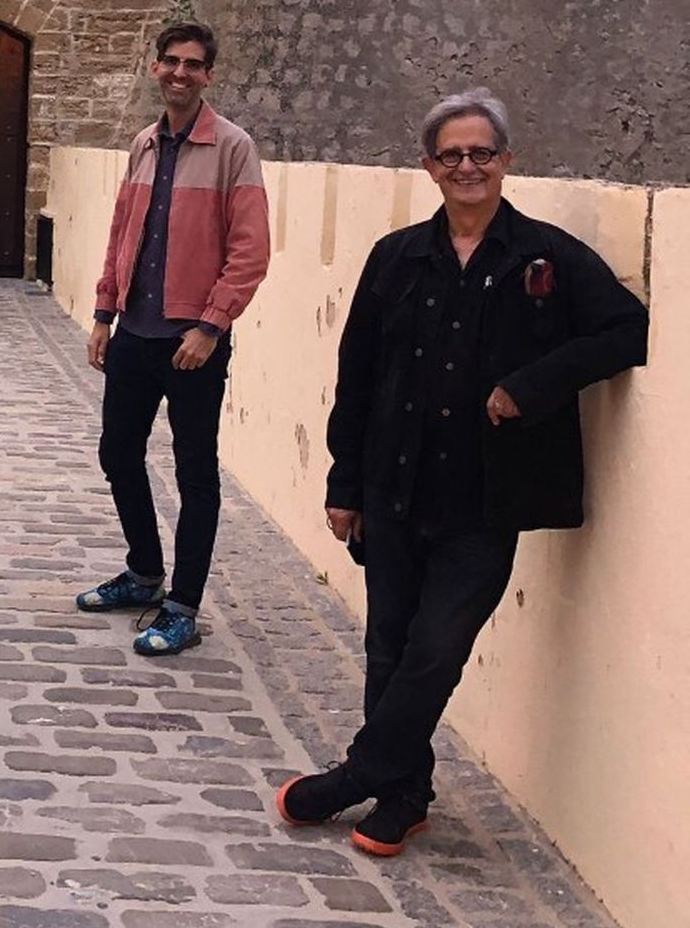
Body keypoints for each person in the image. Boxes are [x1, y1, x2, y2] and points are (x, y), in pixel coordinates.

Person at [278, 90, 648, 856]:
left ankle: (358, 775)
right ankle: (404, 796)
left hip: (486, 501)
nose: (468, 166)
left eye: (482, 152)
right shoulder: (397, 257)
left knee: (436, 649)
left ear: (507, 161)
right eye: (452, 154)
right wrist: (344, 485)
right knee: (388, 647)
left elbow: (626, 327)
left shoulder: (546, 256)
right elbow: (359, 372)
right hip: (393, 487)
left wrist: (531, 386)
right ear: (429, 167)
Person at [78, 21, 270, 655]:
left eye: (193, 64)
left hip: (193, 341)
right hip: (134, 329)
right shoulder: (144, 144)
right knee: (117, 454)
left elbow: (250, 250)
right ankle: (142, 572)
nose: (180, 73)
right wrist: (104, 312)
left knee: (195, 474)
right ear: (155, 68)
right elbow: (120, 232)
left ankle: (182, 605)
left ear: (208, 75)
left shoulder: (233, 147)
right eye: (170, 62)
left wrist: (212, 325)